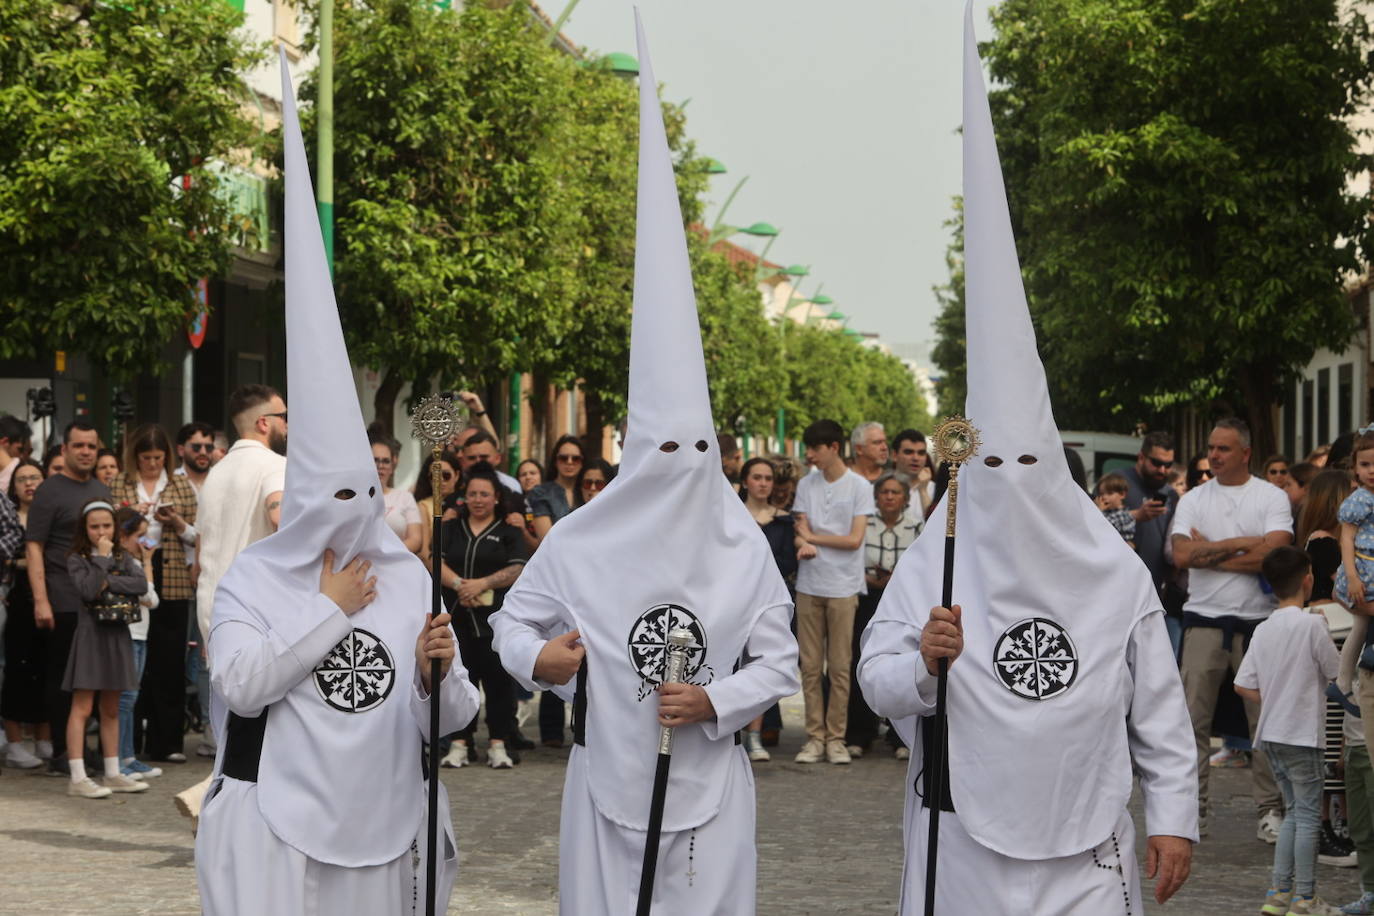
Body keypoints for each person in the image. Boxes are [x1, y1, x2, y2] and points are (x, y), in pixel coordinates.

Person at [860, 28, 1195, 908]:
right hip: (959, 835)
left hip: (1086, 838)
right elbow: (877, 676)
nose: (1008, 476)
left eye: (1026, 459)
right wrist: (925, 666)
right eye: (992, 462)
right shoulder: (940, 557)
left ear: (1060, 469)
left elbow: (1157, 708)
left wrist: (1174, 815)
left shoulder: (1113, 573)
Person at [492, 30, 799, 908]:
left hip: (711, 784)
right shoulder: (584, 539)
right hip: (602, 778)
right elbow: (518, 624)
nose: (676, 471)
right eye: (659, 451)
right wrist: (539, 660)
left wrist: (715, 702)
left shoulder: (742, 551)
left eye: (693, 454)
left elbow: (777, 664)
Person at [196, 63, 479, 913]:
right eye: (337, 502)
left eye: (368, 498)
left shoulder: (406, 575)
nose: (357, 520)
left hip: (387, 828)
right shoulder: (257, 578)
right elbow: (242, 686)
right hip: (283, 831)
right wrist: (327, 607)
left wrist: (440, 673)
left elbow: (456, 713)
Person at [1172, 417, 1293, 841]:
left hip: (1257, 621)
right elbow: (1181, 554)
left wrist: (1213, 551)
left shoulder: (1271, 496)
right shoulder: (1194, 499)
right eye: (1211, 448)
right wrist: (1244, 544)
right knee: (1191, 722)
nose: (1214, 456)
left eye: (1223, 449)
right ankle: (1192, 809)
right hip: (1203, 619)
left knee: (1265, 722)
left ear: (1245, 452)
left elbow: (1274, 556)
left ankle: (1269, 809)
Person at [179, 384, 287, 825]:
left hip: (214, 606)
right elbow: (282, 520)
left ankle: (220, 801)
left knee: (227, 711)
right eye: (283, 415)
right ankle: (222, 802)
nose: (287, 424)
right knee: (267, 718)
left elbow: (202, 546)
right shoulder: (276, 466)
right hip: (259, 607)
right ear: (264, 423)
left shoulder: (217, 473)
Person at [1235, 547, 1341, 916]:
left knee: (1293, 813)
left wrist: (1275, 696)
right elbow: (1336, 672)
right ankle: (1305, 897)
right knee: (1308, 815)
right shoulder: (1313, 624)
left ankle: (1279, 893)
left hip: (1272, 734)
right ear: (1308, 579)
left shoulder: (1263, 629)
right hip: (1303, 733)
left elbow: (1243, 685)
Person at [109, 423, 198, 763]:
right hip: (130, 571)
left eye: (158, 458)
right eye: (145, 458)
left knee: (169, 659)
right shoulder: (119, 482)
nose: (151, 464)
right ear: (135, 457)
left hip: (171, 572)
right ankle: (132, 742)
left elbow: (196, 535)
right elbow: (105, 525)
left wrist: (174, 521)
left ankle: (168, 741)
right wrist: (133, 517)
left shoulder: (180, 484)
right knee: (133, 659)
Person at [25, 420, 110, 775]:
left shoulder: (101, 490)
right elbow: (34, 546)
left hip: (96, 601)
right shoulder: (50, 491)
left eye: (91, 446)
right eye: (79, 446)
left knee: (90, 680)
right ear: (65, 449)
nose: (86, 452)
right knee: (62, 678)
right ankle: (62, 752)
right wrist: (40, 599)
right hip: (61, 599)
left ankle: (82, 750)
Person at [434, 462, 528, 770]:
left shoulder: (508, 531)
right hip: (458, 616)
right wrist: (461, 585)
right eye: (472, 493)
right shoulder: (451, 528)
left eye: (484, 494)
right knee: (462, 678)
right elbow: (435, 561)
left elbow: (517, 567)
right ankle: (461, 741)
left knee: (499, 682)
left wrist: (484, 583)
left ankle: (498, 742)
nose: (478, 499)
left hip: (495, 618)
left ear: (496, 498)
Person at [792, 418, 874, 766]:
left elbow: (855, 540)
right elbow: (798, 529)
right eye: (808, 448)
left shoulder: (859, 486)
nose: (810, 454)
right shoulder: (805, 484)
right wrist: (803, 541)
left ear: (834, 448)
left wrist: (813, 538)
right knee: (810, 667)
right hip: (809, 585)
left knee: (840, 667)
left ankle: (836, 738)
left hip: (843, 586)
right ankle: (814, 737)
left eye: (815, 448)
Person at [62, 498, 151, 798]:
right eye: (94, 526)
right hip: (90, 635)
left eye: (106, 525)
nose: (101, 531)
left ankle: (113, 773)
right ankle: (77, 777)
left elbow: (141, 585)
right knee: (83, 707)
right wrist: (102, 562)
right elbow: (87, 590)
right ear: (84, 528)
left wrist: (107, 581)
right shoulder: (76, 557)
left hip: (117, 634)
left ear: (114, 526)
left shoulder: (123, 555)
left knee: (112, 707)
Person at [847, 471, 922, 761]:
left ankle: (898, 736)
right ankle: (859, 734)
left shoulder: (917, 526)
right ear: (876, 497)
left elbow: (921, 566)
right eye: (884, 492)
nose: (889, 497)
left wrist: (897, 581)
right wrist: (872, 579)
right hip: (868, 598)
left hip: (903, 603)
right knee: (862, 661)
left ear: (905, 498)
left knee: (901, 661)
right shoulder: (864, 525)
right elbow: (852, 562)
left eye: (895, 492)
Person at [737, 456, 797, 761]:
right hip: (733, 597)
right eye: (757, 477)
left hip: (768, 601)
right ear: (745, 480)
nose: (762, 483)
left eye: (767, 478)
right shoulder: (730, 516)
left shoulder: (784, 521)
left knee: (761, 664)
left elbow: (788, 561)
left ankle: (756, 735)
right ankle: (734, 728)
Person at [2, 459, 49, 768]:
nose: (29, 483)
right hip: (17, 601)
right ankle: (16, 743)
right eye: (22, 479)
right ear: (13, 486)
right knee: (16, 670)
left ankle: (45, 739)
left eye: (35, 477)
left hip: (51, 602)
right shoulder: (7, 518)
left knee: (46, 669)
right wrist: (25, 564)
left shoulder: (50, 516)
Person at [112, 506, 162, 780]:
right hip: (128, 635)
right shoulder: (122, 562)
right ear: (124, 535)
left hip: (139, 634)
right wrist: (146, 564)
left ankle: (128, 755)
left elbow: (151, 600)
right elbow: (149, 596)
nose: (144, 542)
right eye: (139, 536)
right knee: (124, 699)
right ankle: (118, 759)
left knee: (130, 698)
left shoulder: (133, 561)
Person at [369, 429, 422, 554]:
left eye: (386, 461)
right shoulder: (355, 498)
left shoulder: (405, 498)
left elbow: (416, 540)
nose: (380, 465)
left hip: (397, 561)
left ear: (393, 466)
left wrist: (387, 554)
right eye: (375, 460)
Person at [528, 434, 584, 547]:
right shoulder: (541, 492)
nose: (569, 462)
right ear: (555, 461)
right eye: (563, 458)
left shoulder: (589, 490)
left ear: (582, 462)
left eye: (576, 458)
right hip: (554, 557)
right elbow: (546, 539)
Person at [414, 449, 460, 562]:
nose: (440, 480)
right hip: (435, 567)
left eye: (446, 475)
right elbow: (424, 552)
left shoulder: (469, 500)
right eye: (434, 476)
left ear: (457, 475)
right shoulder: (423, 506)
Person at [891, 429, 934, 514]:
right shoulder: (878, 488)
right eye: (908, 452)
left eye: (921, 453)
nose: (915, 458)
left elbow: (937, 524)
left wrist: (923, 491)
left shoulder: (936, 490)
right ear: (895, 455)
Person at [1094, 472, 1137, 548]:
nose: (1104, 497)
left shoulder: (1123, 515)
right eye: (1101, 494)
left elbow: (1104, 526)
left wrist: (1098, 511)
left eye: (1109, 493)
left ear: (1122, 495)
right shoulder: (1107, 512)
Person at [176, 422, 216, 494]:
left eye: (209, 447)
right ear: (181, 450)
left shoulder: (221, 479)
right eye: (196, 447)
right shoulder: (169, 482)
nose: (203, 452)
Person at [0, 415, 30, 495]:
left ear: (4, 442)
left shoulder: (20, 472)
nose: (22, 455)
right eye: (20, 450)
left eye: (20, 449)